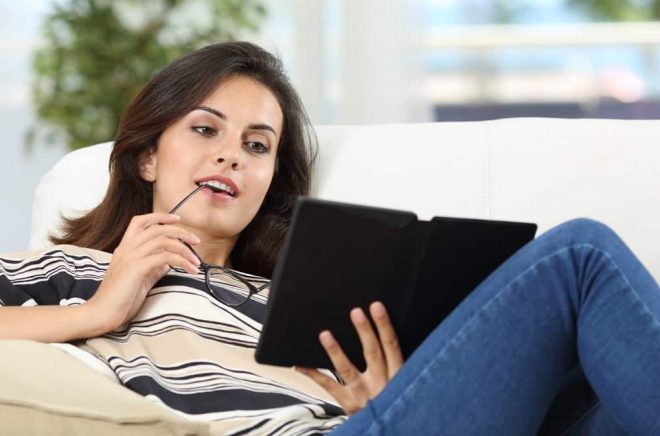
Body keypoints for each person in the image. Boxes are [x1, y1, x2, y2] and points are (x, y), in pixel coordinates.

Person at [0, 41, 658, 435]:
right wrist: (99, 311)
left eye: (257, 145)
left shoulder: (303, 295)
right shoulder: (74, 269)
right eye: (206, 130)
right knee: (581, 257)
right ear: (147, 157)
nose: (232, 155)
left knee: (601, 390)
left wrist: (384, 396)